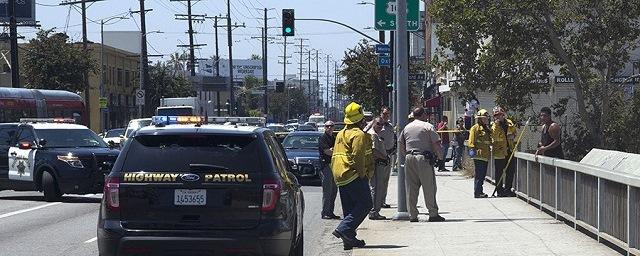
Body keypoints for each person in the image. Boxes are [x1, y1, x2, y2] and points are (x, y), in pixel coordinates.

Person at [331, 102, 374, 250]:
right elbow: (358, 157)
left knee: (350, 209)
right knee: (366, 204)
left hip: (340, 175)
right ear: (360, 120)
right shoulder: (358, 135)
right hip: (352, 174)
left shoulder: (341, 133)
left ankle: (349, 239)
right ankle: (343, 229)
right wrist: (363, 175)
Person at [398, 107, 446, 223]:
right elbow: (436, 143)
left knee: (411, 188)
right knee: (429, 187)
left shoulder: (407, 127)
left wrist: (406, 155)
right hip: (423, 158)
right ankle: (433, 214)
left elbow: (400, 142)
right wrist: (440, 157)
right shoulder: (427, 126)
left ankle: (412, 215)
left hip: (410, 158)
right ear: (423, 114)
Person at [491, 107, 517, 197]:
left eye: (499, 115)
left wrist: (513, 135)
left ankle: (508, 190)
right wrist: (497, 125)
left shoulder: (509, 123)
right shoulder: (494, 125)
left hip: (509, 150)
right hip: (499, 152)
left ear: (503, 114)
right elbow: (493, 136)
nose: (498, 117)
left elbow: (514, 132)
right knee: (499, 172)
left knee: (510, 171)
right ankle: (500, 191)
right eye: (496, 116)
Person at [368, 117, 390, 220]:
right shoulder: (373, 135)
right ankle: (373, 211)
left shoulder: (377, 134)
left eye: (382, 124)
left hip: (379, 164)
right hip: (376, 164)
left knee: (378, 188)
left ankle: (375, 211)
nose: (380, 126)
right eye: (378, 124)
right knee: (375, 188)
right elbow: (373, 151)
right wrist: (384, 157)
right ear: (373, 123)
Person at [468, 109, 492, 198]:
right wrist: (472, 149)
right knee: (479, 174)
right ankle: (477, 192)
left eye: (486, 118)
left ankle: (480, 191)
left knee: (482, 175)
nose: (486, 119)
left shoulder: (486, 129)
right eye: (484, 118)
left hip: (485, 155)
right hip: (479, 155)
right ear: (480, 119)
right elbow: (471, 140)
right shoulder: (475, 128)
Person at [319, 121, 340, 220]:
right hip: (326, 166)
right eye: (327, 126)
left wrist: (334, 150)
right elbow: (327, 151)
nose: (329, 128)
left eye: (331, 126)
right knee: (327, 191)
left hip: (334, 165)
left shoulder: (333, 138)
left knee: (334, 190)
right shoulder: (323, 138)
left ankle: (331, 212)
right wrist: (335, 151)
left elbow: (336, 150)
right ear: (325, 127)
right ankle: (325, 212)